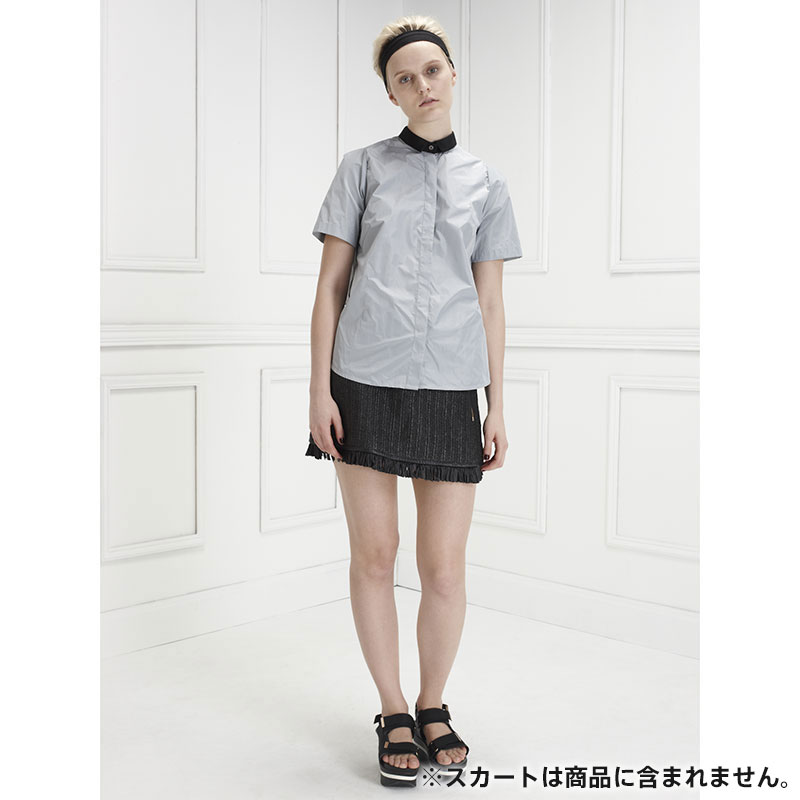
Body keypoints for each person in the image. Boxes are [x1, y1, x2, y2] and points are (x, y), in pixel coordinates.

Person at [304, 14, 522, 788]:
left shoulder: (488, 184)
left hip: (450, 387)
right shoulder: (361, 168)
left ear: (452, 74)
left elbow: (490, 303)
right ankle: (392, 708)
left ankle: (434, 704)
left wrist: (497, 405)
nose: (421, 84)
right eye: (404, 77)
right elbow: (330, 287)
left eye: (431, 70)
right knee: (375, 555)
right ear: (391, 93)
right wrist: (319, 390)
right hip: (362, 382)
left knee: (445, 569)